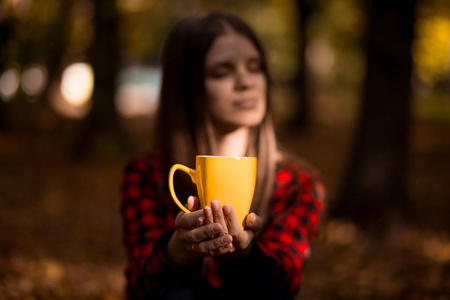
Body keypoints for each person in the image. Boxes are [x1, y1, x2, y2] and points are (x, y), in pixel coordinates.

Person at [121, 10, 325, 300]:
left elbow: (285, 283)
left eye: (255, 67)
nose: (245, 81)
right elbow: (142, 284)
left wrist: (247, 252)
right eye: (222, 72)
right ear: (188, 87)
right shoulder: (147, 174)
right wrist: (178, 249)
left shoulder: (297, 181)